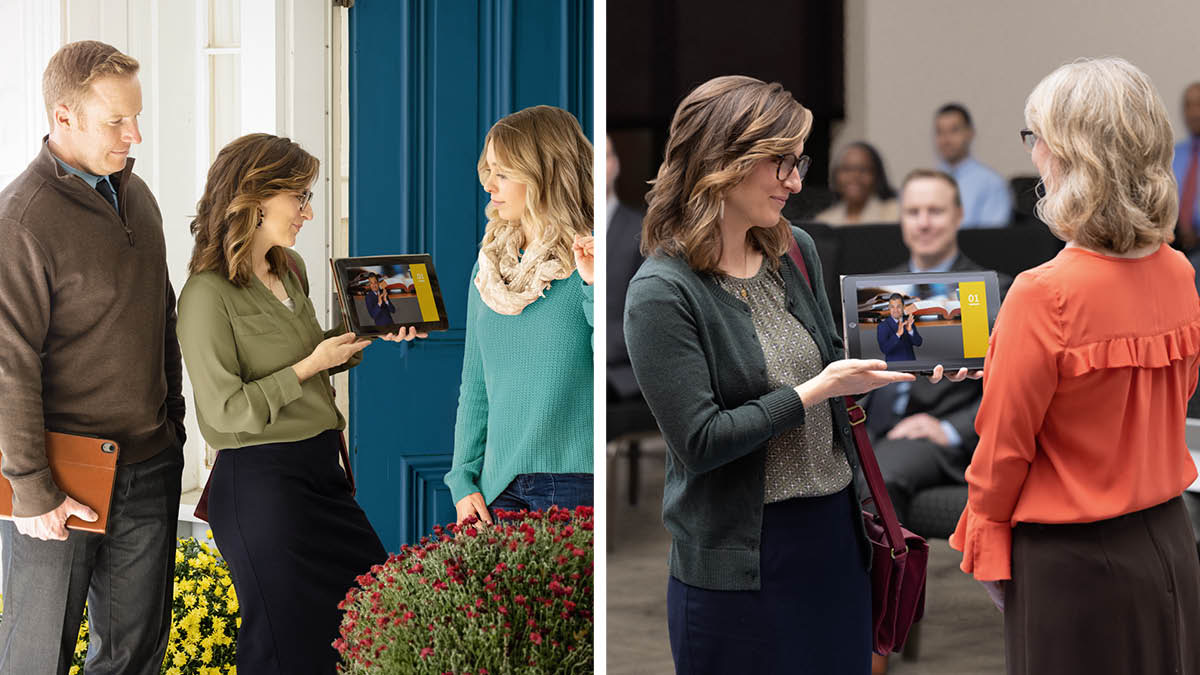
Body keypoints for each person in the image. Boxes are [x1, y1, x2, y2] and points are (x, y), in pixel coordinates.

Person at [623, 75, 972, 674]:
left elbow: (839, 364)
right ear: (721, 161)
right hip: (740, 567)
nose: (796, 180)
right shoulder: (661, 291)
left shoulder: (796, 251)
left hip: (837, 542)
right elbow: (701, 442)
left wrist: (916, 360)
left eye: (799, 160)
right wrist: (815, 392)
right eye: (779, 162)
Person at [950, 58, 1200, 674]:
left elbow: (1004, 451)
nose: (1033, 155)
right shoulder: (1180, 271)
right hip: (1171, 540)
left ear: (1068, 153)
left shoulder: (1044, 292)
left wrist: (985, 539)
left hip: (1073, 561)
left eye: (1034, 138)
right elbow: (1167, 400)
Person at [176, 133, 422, 674]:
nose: (308, 213)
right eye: (300, 198)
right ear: (256, 198)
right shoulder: (205, 296)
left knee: (375, 614)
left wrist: (373, 332)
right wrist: (310, 366)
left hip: (321, 476)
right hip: (262, 487)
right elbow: (223, 413)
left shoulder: (290, 270)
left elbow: (310, 356)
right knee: (285, 647)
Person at [0, 40, 185, 675]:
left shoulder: (136, 196)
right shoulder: (21, 219)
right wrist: (30, 488)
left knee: (136, 656)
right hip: (62, 474)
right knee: (36, 655)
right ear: (64, 115)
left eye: (137, 116)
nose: (134, 135)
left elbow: (162, 315)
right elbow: (8, 363)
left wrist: (173, 424)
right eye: (116, 121)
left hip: (148, 462)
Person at [444, 105, 594, 524]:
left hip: (578, 485)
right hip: (497, 492)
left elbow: (618, 366)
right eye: (488, 170)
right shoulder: (490, 267)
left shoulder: (589, 259)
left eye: (504, 172)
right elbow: (475, 385)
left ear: (545, 173)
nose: (489, 184)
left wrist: (594, 285)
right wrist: (463, 480)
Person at [606, 134, 645, 399]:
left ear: (616, 164)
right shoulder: (559, 231)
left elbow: (645, 316)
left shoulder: (642, 230)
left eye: (605, 156)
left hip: (622, 380)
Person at [934, 103, 1012, 228]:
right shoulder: (926, 183)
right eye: (940, 132)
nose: (946, 139)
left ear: (970, 133)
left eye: (954, 130)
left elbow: (993, 238)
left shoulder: (991, 183)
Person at [814, 142, 899, 226]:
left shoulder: (895, 215)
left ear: (876, 175)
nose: (854, 176)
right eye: (847, 169)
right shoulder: (824, 222)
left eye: (863, 169)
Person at [1173, 82, 1200, 286]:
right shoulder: (1173, 155)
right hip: (1174, 248)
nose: (1193, 113)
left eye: (1198, 105)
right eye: (1188, 106)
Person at [876, 294, 921, 361]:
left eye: (898, 307)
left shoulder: (909, 321)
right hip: (894, 366)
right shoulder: (882, 326)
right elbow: (884, 349)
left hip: (911, 365)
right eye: (892, 307)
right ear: (889, 307)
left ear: (903, 307)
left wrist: (910, 330)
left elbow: (918, 343)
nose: (895, 310)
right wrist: (898, 334)